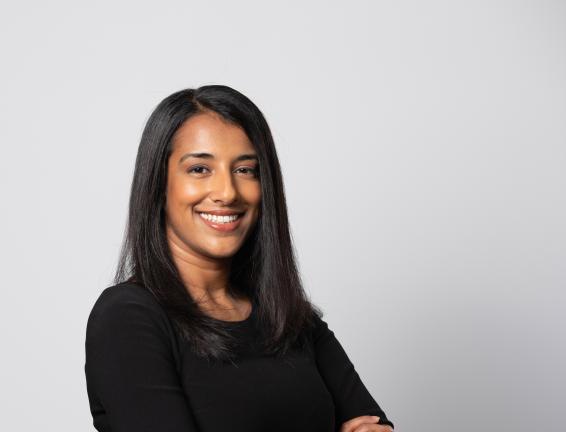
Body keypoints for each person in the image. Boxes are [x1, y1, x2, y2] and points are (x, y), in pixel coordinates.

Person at [84, 85, 395, 432]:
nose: (228, 193)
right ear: (159, 184)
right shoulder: (128, 317)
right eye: (200, 169)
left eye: (246, 170)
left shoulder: (291, 318)